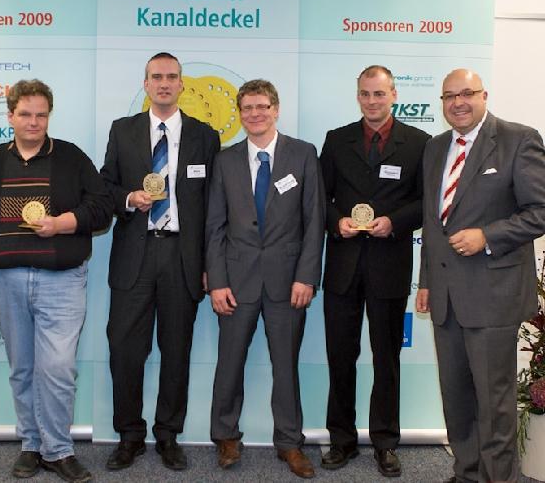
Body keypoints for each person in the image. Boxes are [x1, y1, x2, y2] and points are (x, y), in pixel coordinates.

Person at [0, 79, 111, 482]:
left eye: (41, 115)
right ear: (10, 116)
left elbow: (102, 208)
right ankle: (32, 445)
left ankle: (58, 450)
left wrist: (62, 224)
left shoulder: (71, 157)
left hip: (61, 282)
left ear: (49, 116)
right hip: (5, 281)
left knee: (58, 369)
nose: (34, 122)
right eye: (26, 114)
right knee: (23, 369)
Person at [416, 69, 545, 483]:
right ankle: (467, 472)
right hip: (446, 297)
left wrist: (488, 236)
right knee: (456, 398)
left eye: (466, 93)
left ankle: (498, 478)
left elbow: (540, 211)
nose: (458, 102)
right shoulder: (436, 147)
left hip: (493, 294)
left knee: (494, 402)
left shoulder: (518, 139)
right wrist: (426, 280)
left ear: (484, 95)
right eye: (449, 96)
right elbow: (432, 222)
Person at [100, 52, 220, 471]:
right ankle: (129, 435)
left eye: (171, 77)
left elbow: (214, 206)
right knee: (125, 350)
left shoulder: (205, 136)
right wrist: (128, 198)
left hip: (182, 256)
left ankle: (168, 435)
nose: (164, 83)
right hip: (135, 253)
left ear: (182, 84)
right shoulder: (123, 130)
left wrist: (211, 264)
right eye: (156, 77)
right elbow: (105, 187)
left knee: (176, 350)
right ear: (146, 84)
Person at [206, 79, 325, 479]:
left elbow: (314, 221)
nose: (254, 114)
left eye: (262, 107)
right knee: (229, 364)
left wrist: (307, 276)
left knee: (286, 367)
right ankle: (225, 437)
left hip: (288, 282)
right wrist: (217, 281)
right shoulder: (225, 160)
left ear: (276, 109)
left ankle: (289, 443)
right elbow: (214, 226)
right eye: (247, 108)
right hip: (235, 282)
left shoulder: (303, 154)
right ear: (240, 114)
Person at [318, 65, 429, 477]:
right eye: (365, 94)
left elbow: (426, 202)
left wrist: (394, 222)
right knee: (340, 357)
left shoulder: (419, 143)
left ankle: (385, 443)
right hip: (343, 267)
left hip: (390, 266)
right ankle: (341, 440)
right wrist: (337, 222)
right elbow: (319, 197)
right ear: (357, 96)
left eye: (379, 94)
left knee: (387, 360)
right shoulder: (337, 139)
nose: (372, 101)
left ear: (394, 95)